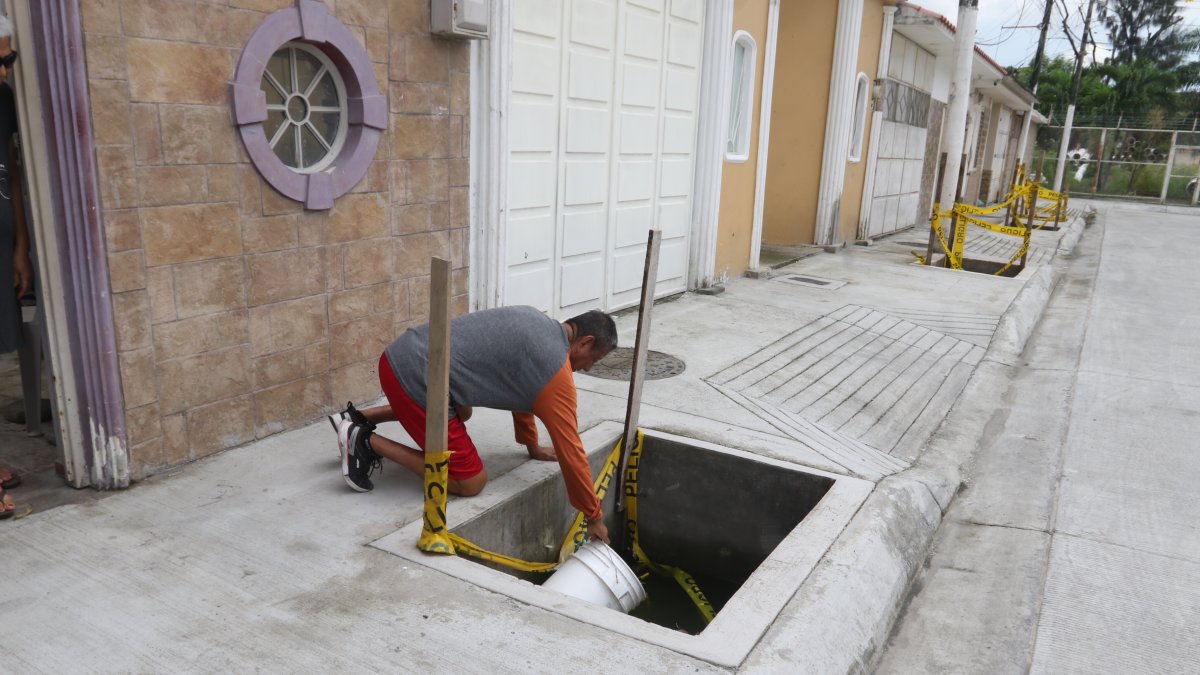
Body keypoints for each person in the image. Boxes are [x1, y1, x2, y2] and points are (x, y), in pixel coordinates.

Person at [329, 306, 617, 544]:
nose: (589, 367)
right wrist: (593, 516)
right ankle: (362, 439)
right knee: (470, 482)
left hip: (402, 356)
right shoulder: (556, 372)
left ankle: (362, 416)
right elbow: (572, 453)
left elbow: (522, 388)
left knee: (461, 413)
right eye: (595, 358)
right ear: (585, 342)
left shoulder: (536, 320)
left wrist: (531, 446)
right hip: (414, 378)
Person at [0, 14, 31, 521]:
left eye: (9, 59)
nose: (6, 68)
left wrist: (21, 245)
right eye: (1, 59)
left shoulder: (3, 102)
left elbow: (15, 174)